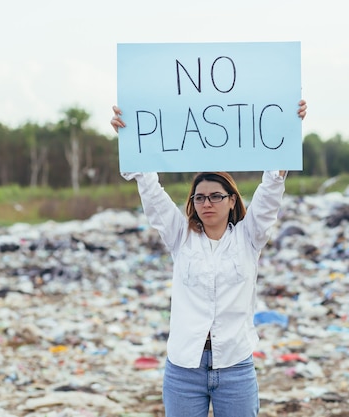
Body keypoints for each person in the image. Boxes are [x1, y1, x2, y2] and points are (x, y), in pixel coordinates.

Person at [111, 100, 307, 417]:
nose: (207, 203)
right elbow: (151, 191)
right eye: (199, 197)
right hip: (184, 369)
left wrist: (287, 124)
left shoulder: (249, 237)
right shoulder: (180, 237)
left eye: (216, 196)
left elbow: (272, 187)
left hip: (235, 367)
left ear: (232, 200)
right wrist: (131, 135)